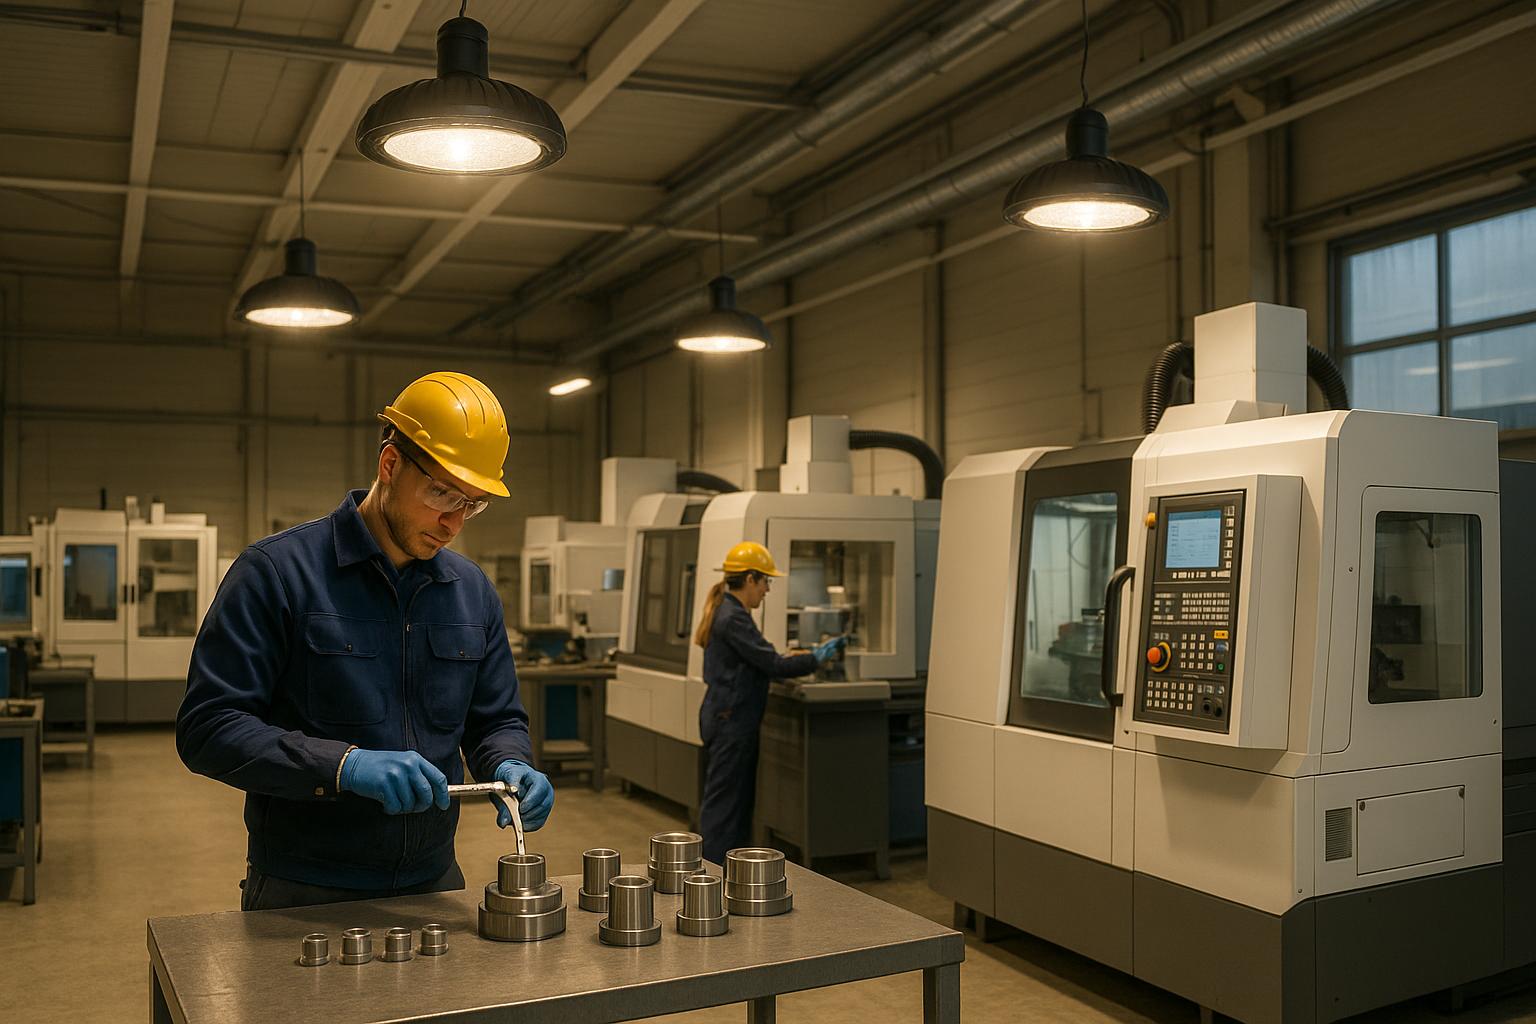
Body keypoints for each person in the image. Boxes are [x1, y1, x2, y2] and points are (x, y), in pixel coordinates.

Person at [176, 371, 554, 911]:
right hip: (303, 889)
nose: (452, 522)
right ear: (390, 465)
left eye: (471, 503)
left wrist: (510, 763)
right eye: (441, 492)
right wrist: (343, 766)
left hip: (435, 882)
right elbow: (208, 728)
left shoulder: (471, 593)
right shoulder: (277, 574)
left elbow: (494, 720)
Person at [693, 542, 846, 864]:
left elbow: (759, 660)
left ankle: (726, 868)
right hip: (731, 721)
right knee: (725, 805)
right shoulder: (733, 618)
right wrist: (815, 659)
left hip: (726, 717)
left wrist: (794, 659)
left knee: (730, 800)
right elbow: (772, 664)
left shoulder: (729, 612)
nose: (767, 590)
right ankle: (712, 873)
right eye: (766, 582)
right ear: (750, 579)